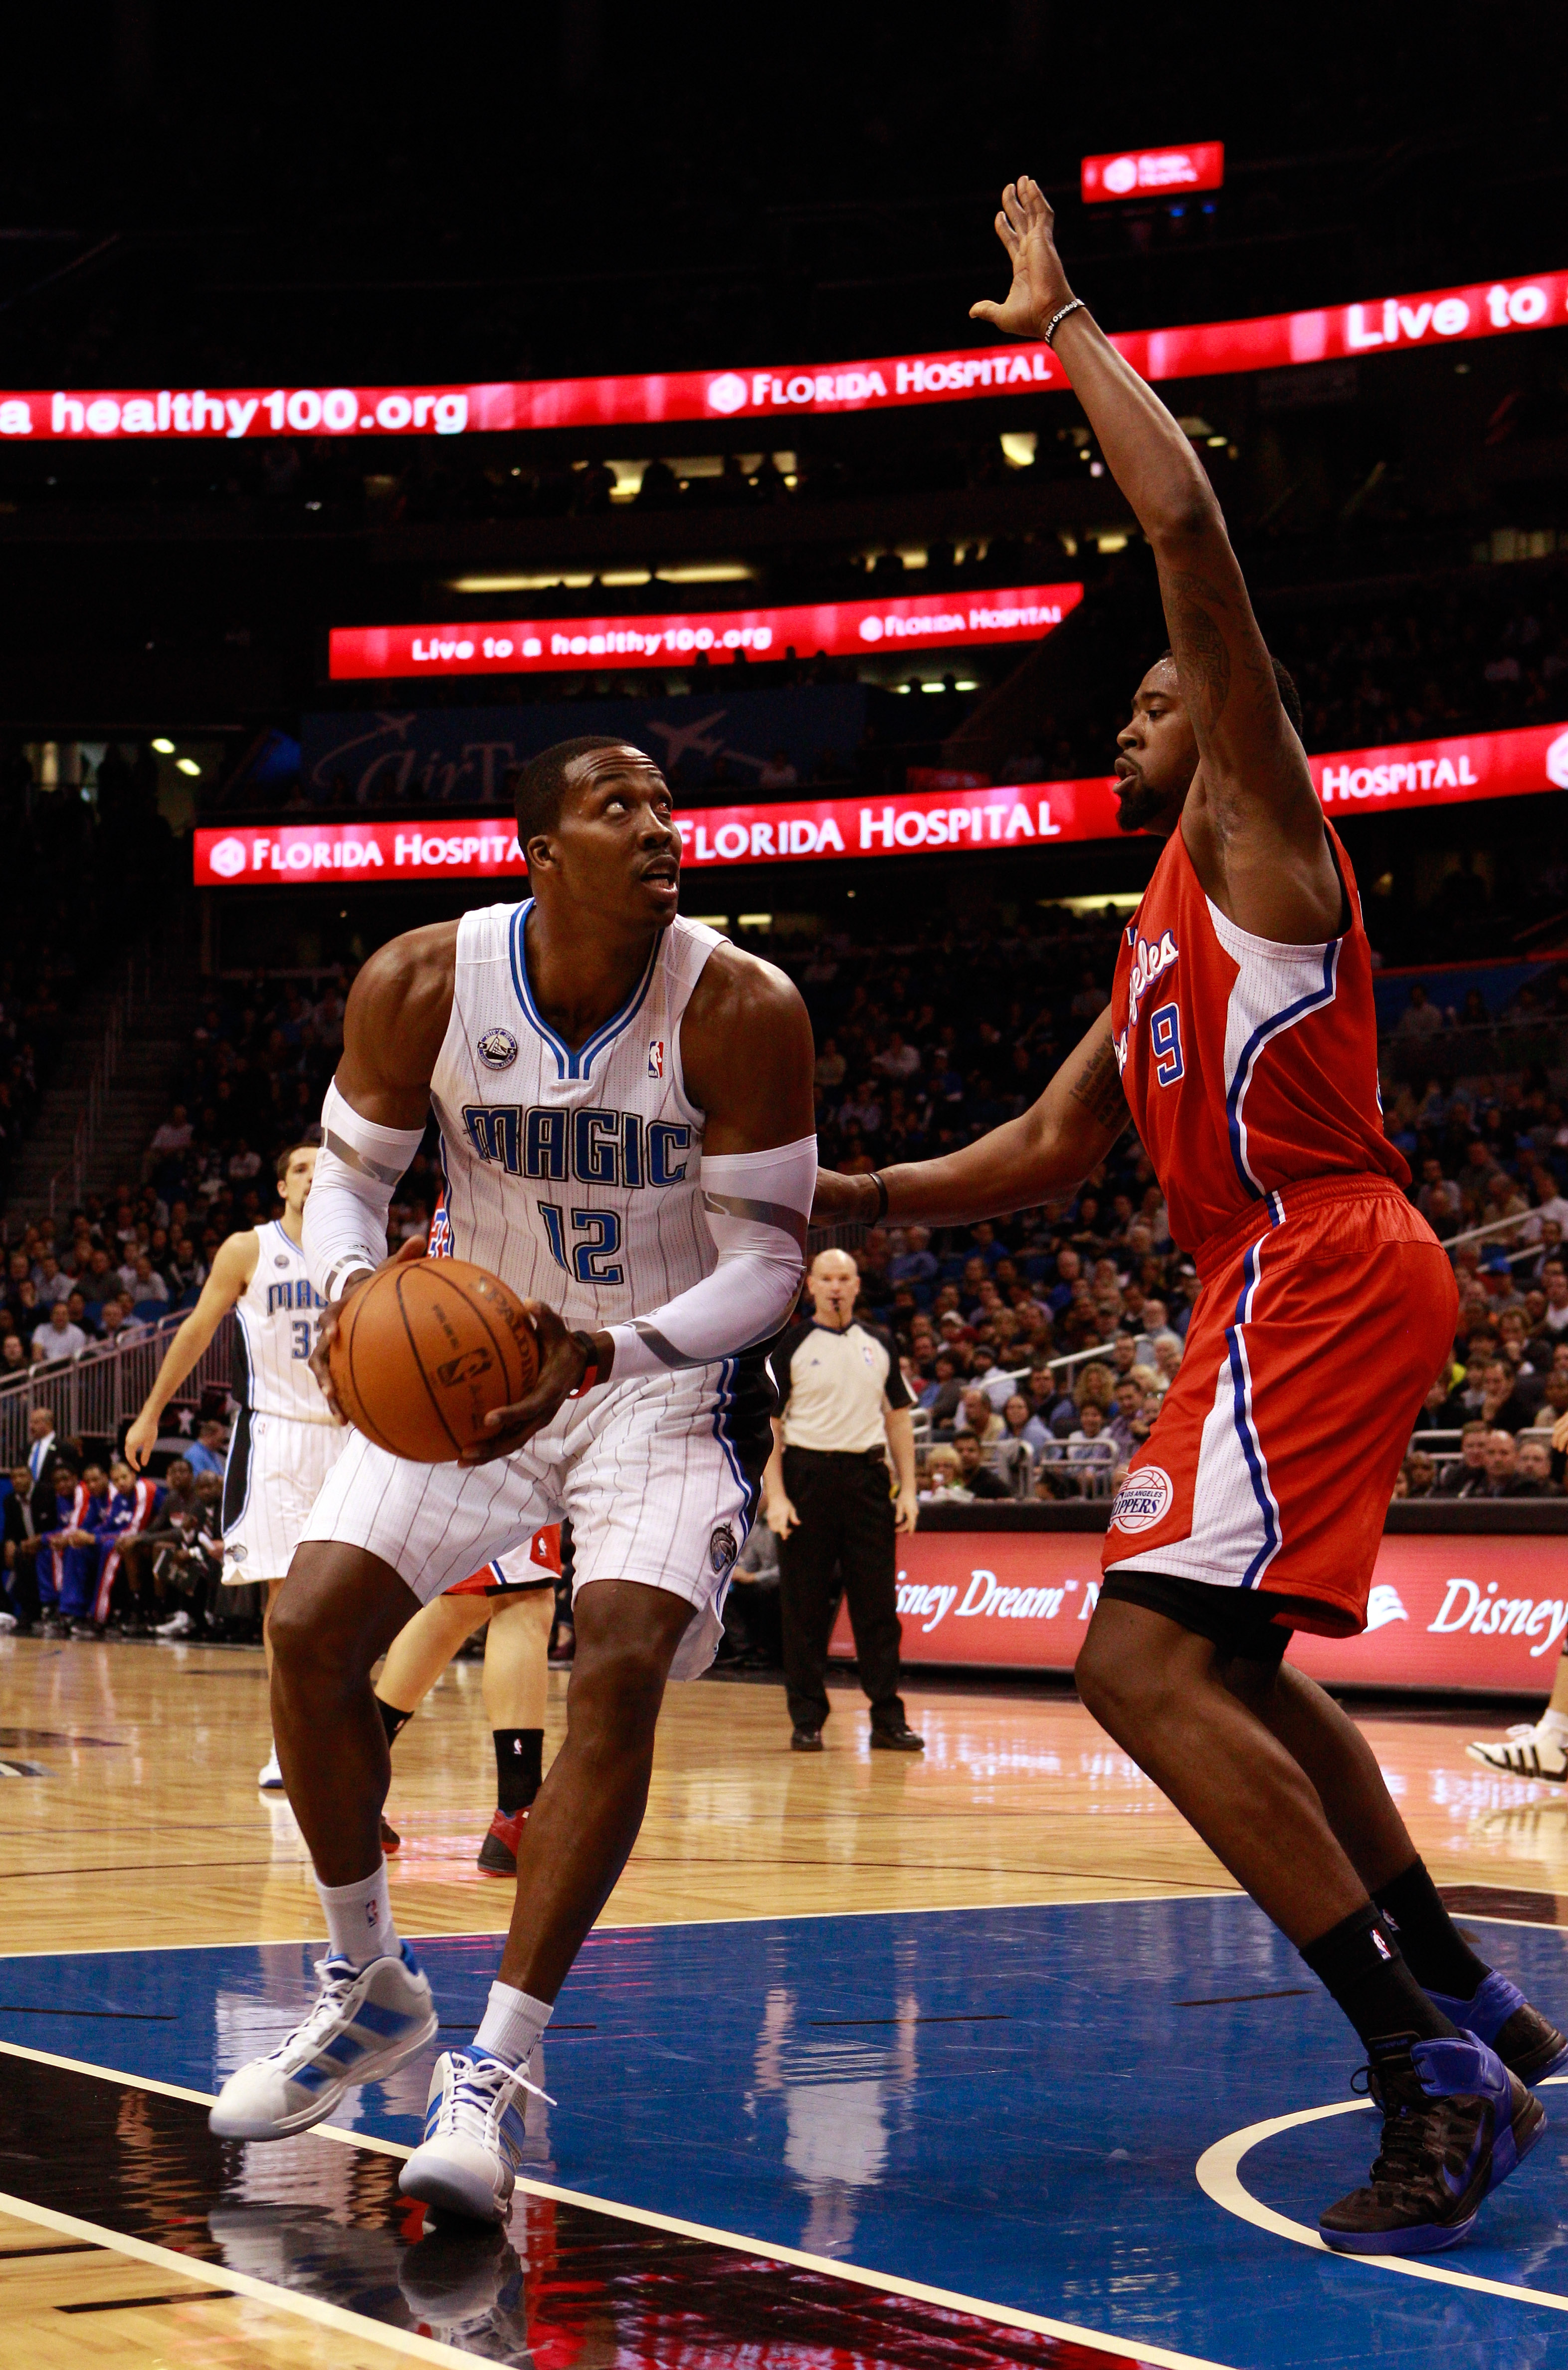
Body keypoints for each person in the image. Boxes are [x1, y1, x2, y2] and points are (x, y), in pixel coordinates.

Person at [813, 177, 1559, 2259]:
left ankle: (1432, 2074)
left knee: (1133, 1671)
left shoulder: (1259, 821)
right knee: (1244, 1668)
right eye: (1136, 709)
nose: (1138, 716)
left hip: (1319, 1249)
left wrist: (1059, 331)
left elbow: (1194, 545)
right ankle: (1480, 1993)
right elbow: (1049, 1150)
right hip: (1291, 1269)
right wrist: (842, 1188)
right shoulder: (1151, 935)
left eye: (1158, 700)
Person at [208, 734, 816, 2231]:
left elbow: (772, 1261)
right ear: (540, 849)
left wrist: (606, 1349)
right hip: (480, 1370)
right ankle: (366, 1988)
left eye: (668, 804)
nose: (662, 826)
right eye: (620, 807)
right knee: (308, 1628)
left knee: (611, 1668)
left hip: (655, 1382)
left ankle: (491, 2074)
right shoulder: (424, 979)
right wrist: (359, 1295)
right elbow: (350, 1176)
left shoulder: (742, 1006)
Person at [127, 1143, 346, 1790]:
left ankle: (345, 1740)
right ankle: (290, 1746)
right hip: (276, 1436)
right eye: (302, 1169)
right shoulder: (249, 1250)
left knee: (349, 1603)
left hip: (350, 1438)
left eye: (323, 1169)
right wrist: (150, 1414)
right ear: (281, 1186)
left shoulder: (361, 1254)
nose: (313, 1177)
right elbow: (195, 1330)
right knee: (285, 1597)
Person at [763, 1247, 922, 1753]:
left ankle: (887, 1718)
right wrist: (777, 1497)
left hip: (868, 1478)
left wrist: (910, 1489)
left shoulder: (880, 1342)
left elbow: (898, 1417)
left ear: (857, 1285)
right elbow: (772, 1425)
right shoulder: (789, 1345)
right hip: (807, 1476)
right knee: (804, 1608)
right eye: (827, 1278)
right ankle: (807, 1718)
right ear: (810, 1285)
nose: (835, 1286)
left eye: (844, 1278)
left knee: (878, 1606)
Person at [377, 1529, 562, 1873]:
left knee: (464, 1597)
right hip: (505, 1474)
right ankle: (518, 1811)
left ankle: (353, 1790)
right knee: (524, 1595)